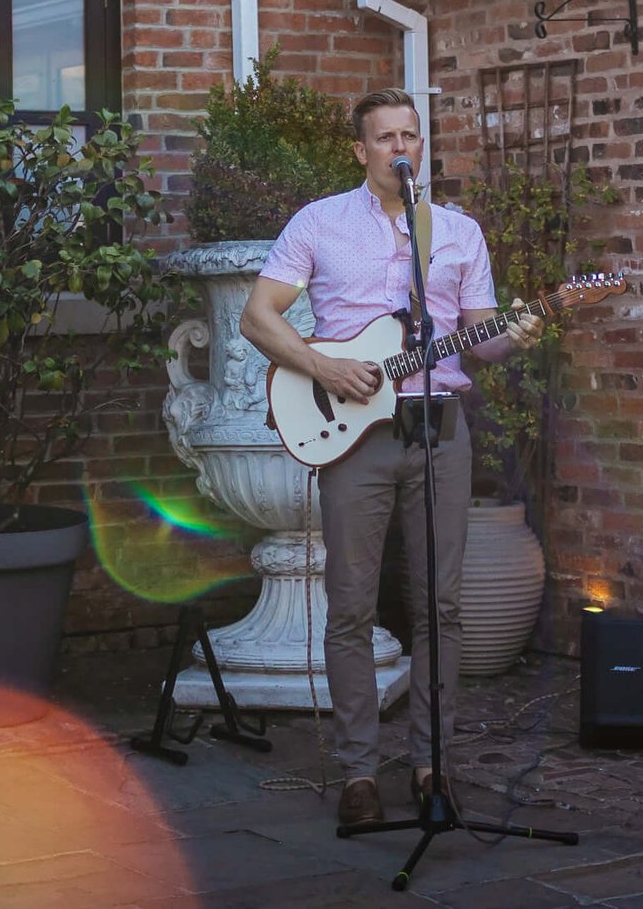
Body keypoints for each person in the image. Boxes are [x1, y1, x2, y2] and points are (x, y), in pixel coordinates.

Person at [238, 88, 540, 829]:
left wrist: (516, 331)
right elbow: (257, 315)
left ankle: (434, 763)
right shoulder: (319, 223)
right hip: (356, 434)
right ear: (360, 149)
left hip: (440, 427)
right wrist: (324, 368)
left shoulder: (459, 233)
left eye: (411, 134)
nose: (401, 146)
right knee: (351, 604)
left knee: (440, 605)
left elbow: (480, 338)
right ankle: (358, 771)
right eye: (385, 136)